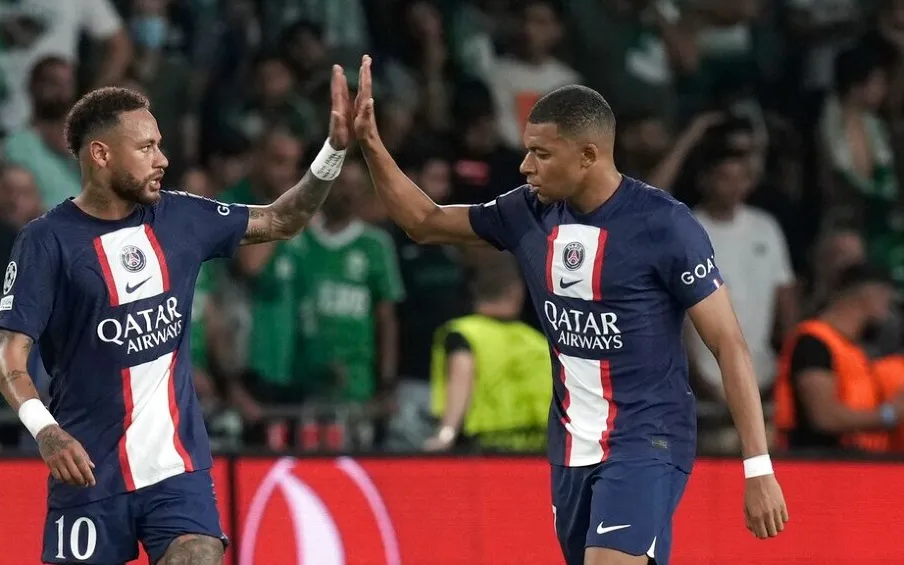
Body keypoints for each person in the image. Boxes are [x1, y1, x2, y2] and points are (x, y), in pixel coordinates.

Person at [352, 55, 788, 565]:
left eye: (541, 153)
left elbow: (728, 344)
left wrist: (758, 467)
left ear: (587, 156)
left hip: (648, 436)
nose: (525, 166)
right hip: (570, 445)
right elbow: (423, 221)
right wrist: (371, 144)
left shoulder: (664, 225)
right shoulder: (526, 211)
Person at [0, 63, 352, 564]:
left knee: (199, 553)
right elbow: (8, 356)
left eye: (159, 145)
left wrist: (333, 150)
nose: (162, 159)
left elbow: (282, 219)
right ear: (101, 154)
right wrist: (46, 431)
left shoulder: (181, 217)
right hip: (89, 471)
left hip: (176, 469)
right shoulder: (45, 241)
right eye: (146, 148)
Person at [425, 255, 550, 453]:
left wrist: (446, 434)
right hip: (537, 448)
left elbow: (461, 380)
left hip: (484, 449)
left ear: (474, 290)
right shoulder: (539, 341)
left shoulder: (464, 334)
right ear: (517, 292)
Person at [774, 264, 903, 453]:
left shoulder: (853, 349)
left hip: (853, 459)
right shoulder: (813, 342)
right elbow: (823, 416)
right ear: (868, 294)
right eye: (886, 295)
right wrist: (890, 414)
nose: (889, 306)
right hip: (815, 461)